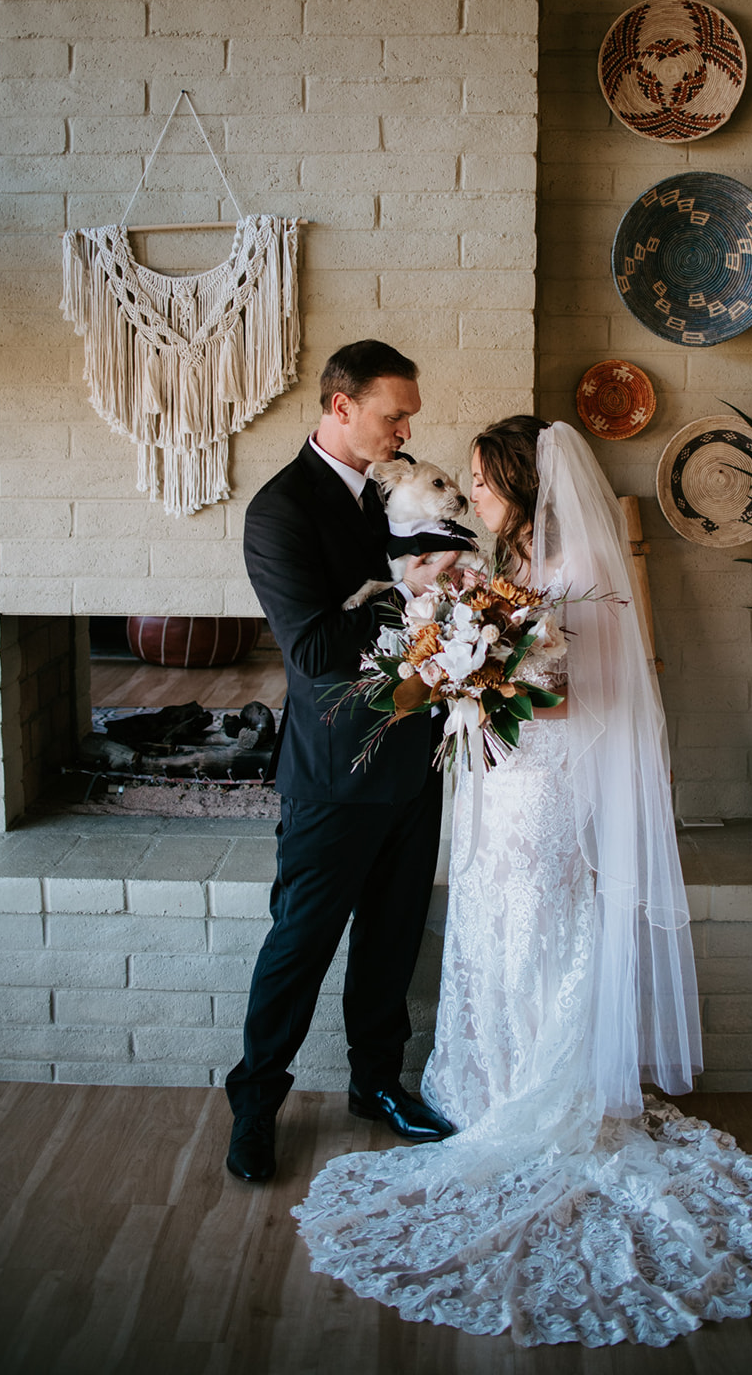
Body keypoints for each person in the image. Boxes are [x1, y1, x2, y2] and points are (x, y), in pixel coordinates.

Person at [293, 417, 752, 1349]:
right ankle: (492, 1081)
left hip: (543, 787)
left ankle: (546, 1089)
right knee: (497, 921)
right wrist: (464, 660)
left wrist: (481, 674)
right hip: (506, 780)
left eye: (487, 484)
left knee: (539, 923)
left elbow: (576, 692)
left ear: (525, 487)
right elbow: (506, 660)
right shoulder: (516, 566)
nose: (475, 497)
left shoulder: (577, 571)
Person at [224, 340, 459, 1183]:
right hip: (333, 775)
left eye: (409, 417)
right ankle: (254, 1108)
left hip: (415, 761)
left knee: (392, 941)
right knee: (300, 946)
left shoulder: (398, 491)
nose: (406, 428)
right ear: (341, 407)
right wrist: (416, 593)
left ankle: (376, 1085)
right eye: (394, 414)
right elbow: (320, 649)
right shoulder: (280, 512)